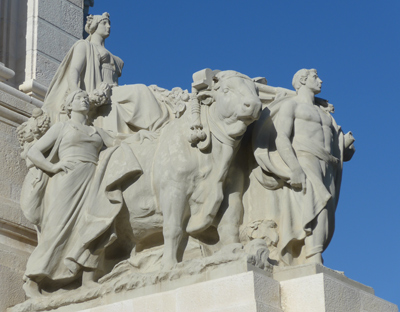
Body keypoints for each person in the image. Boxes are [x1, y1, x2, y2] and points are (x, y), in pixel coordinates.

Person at [21, 90, 142, 296]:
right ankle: (33, 280)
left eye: (86, 98)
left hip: (93, 180)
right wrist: (53, 167)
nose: (84, 99)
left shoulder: (96, 132)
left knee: (92, 227)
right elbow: (34, 152)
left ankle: (87, 277)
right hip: (66, 181)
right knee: (57, 229)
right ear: (68, 106)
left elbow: (120, 144)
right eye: (78, 98)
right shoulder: (62, 127)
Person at [251, 69, 355, 265]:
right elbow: (281, 137)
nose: (321, 81)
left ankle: (315, 253)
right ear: (302, 80)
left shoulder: (325, 114)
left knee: (329, 210)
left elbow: (334, 145)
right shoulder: (291, 105)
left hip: (329, 164)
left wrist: (344, 146)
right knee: (319, 204)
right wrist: (294, 167)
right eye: (316, 77)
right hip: (306, 159)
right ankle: (313, 256)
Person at [42, 12, 170, 134]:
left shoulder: (109, 53)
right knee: (140, 90)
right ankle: (158, 127)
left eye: (109, 24)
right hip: (101, 92)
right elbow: (74, 69)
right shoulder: (84, 45)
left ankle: (160, 124)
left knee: (152, 91)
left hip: (113, 90)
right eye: (104, 23)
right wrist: (76, 91)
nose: (108, 26)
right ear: (95, 26)